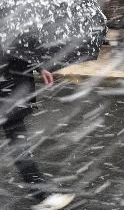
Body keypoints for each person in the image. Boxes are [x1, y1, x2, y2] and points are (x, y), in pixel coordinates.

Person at [0, 53, 75, 210]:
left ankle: (40, 193)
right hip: (8, 92)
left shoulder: (8, 31)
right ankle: (41, 195)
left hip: (11, 89)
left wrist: (40, 68)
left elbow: (21, 47)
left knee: (19, 143)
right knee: (19, 144)